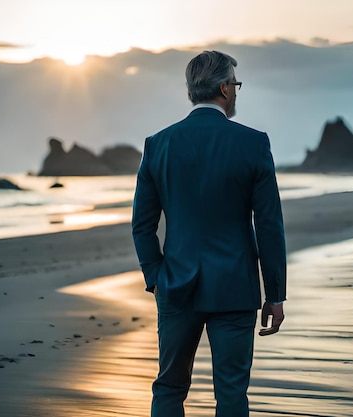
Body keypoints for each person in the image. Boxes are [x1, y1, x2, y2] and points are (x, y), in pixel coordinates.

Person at [132, 50, 287, 417]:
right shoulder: (253, 143)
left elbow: (142, 224)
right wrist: (275, 294)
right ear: (223, 88)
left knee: (169, 387)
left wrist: (155, 276)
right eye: (235, 83)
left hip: (176, 285)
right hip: (235, 287)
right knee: (232, 393)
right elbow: (268, 225)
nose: (236, 90)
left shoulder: (159, 144)